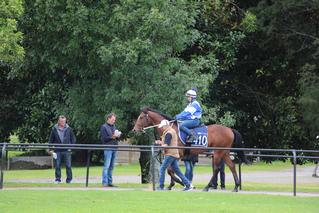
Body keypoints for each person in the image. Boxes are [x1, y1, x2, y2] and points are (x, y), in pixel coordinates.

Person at [155, 119, 193, 191]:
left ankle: (161, 186)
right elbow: (168, 142)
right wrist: (160, 142)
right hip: (174, 154)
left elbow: (166, 145)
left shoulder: (168, 133)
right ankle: (188, 185)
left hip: (170, 154)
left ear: (166, 125)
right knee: (177, 171)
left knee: (162, 169)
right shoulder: (171, 131)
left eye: (162, 126)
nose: (162, 128)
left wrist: (159, 145)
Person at [48, 115, 76, 184]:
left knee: (68, 166)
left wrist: (71, 148)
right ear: (58, 121)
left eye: (64, 121)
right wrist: (50, 149)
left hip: (67, 150)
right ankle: (58, 179)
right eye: (61, 121)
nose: (63, 122)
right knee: (57, 165)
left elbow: (73, 139)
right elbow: (51, 140)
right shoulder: (54, 129)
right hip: (57, 150)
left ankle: (69, 180)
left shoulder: (69, 129)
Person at [100, 112, 122, 187]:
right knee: (107, 165)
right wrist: (112, 137)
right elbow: (103, 139)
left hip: (114, 147)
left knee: (111, 166)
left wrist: (118, 135)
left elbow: (115, 137)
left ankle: (110, 182)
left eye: (114, 120)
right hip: (108, 148)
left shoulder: (114, 126)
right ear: (108, 119)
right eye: (112, 120)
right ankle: (104, 182)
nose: (114, 121)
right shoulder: (104, 127)